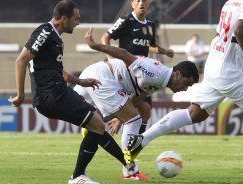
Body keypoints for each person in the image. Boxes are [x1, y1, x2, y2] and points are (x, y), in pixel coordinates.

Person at [8, 1, 137, 183]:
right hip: (52, 94)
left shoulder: (55, 38)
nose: (78, 23)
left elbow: (57, 71)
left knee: (96, 123)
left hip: (56, 92)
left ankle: (125, 167)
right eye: (76, 19)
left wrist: (80, 81)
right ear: (63, 19)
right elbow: (21, 61)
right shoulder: (45, 31)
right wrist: (21, 96)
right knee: (97, 123)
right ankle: (83, 175)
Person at [124, 0, 243, 164]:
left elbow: (218, 35)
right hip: (231, 71)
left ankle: (142, 139)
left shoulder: (231, 2)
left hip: (215, 64)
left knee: (195, 113)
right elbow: (239, 29)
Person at [79, 27, 199, 171]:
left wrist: (119, 119)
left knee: (71, 110)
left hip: (101, 77)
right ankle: (129, 170)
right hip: (103, 77)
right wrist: (94, 46)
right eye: (186, 83)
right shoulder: (155, 73)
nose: (185, 89)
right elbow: (124, 54)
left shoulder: (161, 80)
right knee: (134, 120)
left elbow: (137, 98)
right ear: (178, 74)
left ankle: (91, 125)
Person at [101, 0, 174, 135]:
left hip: (142, 72)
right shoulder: (126, 20)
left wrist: (164, 51)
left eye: (144, 1)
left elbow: (150, 45)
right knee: (126, 107)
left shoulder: (151, 24)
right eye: (138, 0)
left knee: (145, 110)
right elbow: (105, 38)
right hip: (126, 71)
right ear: (132, 3)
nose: (141, 3)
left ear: (149, 4)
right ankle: (97, 123)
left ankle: (135, 143)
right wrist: (111, 59)